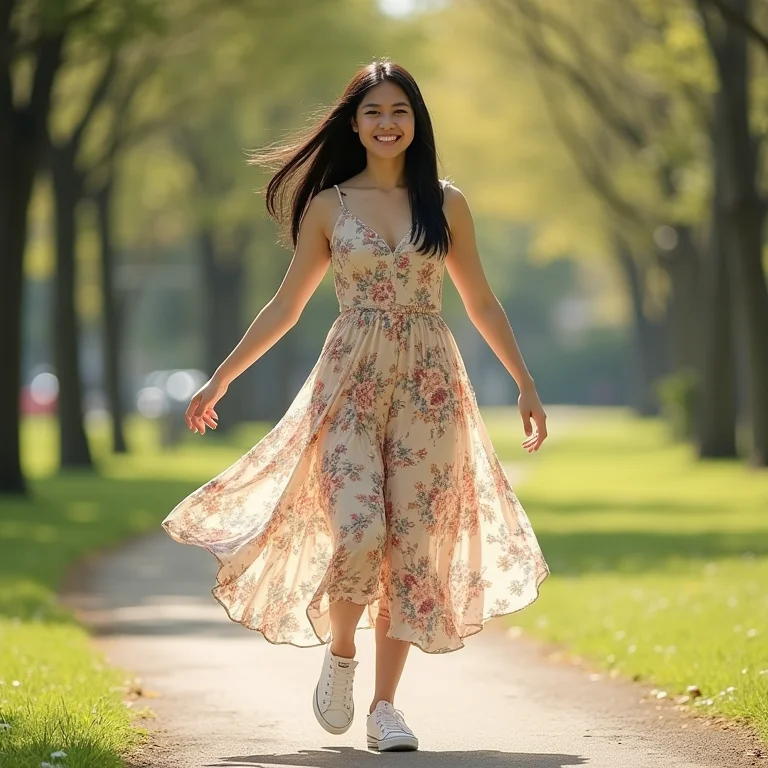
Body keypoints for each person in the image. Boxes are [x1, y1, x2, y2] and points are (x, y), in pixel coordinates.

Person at [162, 58, 550, 753]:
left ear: (416, 120)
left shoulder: (446, 202)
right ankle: (341, 655)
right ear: (355, 123)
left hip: (431, 388)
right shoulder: (329, 207)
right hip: (349, 384)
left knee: (412, 549)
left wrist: (523, 381)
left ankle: (385, 709)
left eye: (399, 110)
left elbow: (481, 300)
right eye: (373, 111)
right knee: (360, 529)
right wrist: (219, 378)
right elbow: (285, 306)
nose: (387, 123)